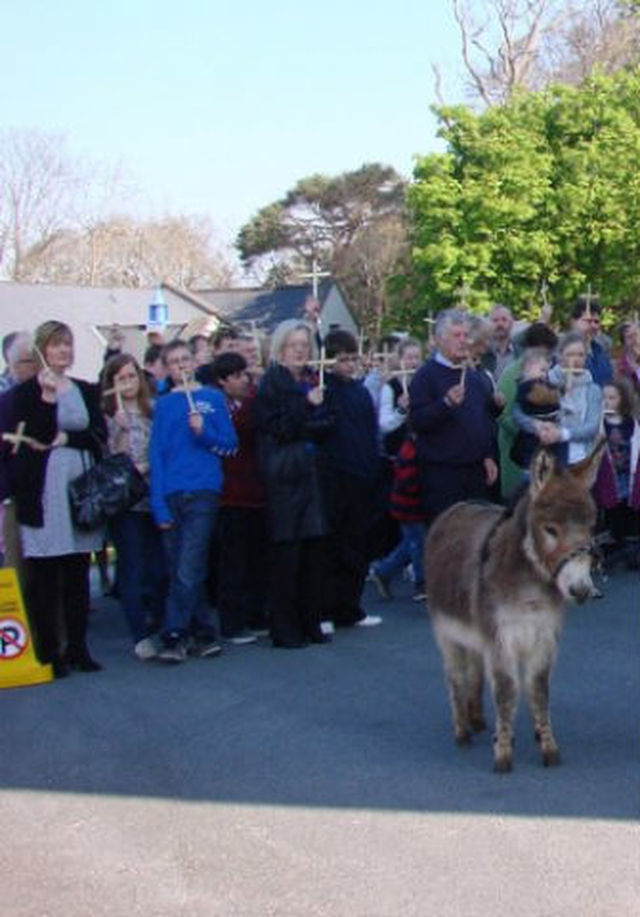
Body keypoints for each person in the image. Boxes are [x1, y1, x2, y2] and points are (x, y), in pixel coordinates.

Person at [5, 320, 106, 677]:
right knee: (46, 573)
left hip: (80, 487)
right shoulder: (24, 392)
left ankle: (79, 647)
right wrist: (47, 401)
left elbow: (97, 434)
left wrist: (70, 440)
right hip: (43, 487)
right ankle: (51, 651)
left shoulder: (83, 388)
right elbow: (28, 437)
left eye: (68, 344)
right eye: (56, 344)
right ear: (42, 350)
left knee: (78, 571)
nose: (63, 350)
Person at [150, 340, 238, 663]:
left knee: (189, 563)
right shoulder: (162, 405)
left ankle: (172, 633)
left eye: (185, 359)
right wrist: (157, 504)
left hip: (203, 490)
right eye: (173, 362)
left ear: (194, 362)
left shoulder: (213, 398)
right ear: (167, 369)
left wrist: (205, 433)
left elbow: (230, 446)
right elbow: (156, 456)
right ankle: (202, 631)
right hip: (171, 492)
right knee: (182, 568)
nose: (181, 366)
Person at [253, 320, 333, 649]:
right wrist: (307, 407)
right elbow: (279, 428)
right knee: (287, 557)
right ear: (281, 349)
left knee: (312, 554)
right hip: (284, 477)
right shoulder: (273, 383)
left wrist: (316, 414)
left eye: (304, 345)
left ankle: (309, 621)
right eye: (293, 345)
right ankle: (285, 627)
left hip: (310, 473)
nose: (300, 350)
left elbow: (324, 423)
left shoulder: (311, 381)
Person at [101, 354, 167, 660]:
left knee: (159, 567)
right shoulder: (108, 415)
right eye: (121, 378)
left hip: (154, 497)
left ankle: (161, 624)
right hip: (125, 502)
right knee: (132, 567)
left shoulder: (153, 409)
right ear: (111, 384)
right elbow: (110, 463)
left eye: (132, 376)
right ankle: (139, 634)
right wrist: (122, 430)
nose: (128, 383)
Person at [317, 330, 382, 629]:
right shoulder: (324, 390)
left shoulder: (359, 391)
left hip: (362, 475)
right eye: (343, 360)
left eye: (353, 359)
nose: (350, 365)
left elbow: (371, 431)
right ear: (329, 360)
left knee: (357, 544)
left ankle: (350, 606)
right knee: (332, 546)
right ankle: (326, 609)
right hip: (334, 477)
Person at [409, 309, 498, 524]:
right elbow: (417, 421)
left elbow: (482, 419)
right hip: (443, 475)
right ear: (440, 339)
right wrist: (445, 404)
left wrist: (487, 455)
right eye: (456, 335)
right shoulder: (425, 376)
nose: (462, 341)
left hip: (475, 472)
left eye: (465, 335)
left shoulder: (474, 376)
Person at [209, 351, 268, 643]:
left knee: (256, 559)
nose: (243, 380)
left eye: (244, 375)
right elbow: (236, 429)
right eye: (236, 376)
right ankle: (232, 622)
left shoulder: (249, 403)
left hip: (253, 488)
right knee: (233, 562)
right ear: (222, 380)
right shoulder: (218, 407)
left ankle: (256, 613)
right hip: (229, 493)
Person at [497, 322, 559, 501]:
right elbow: (504, 414)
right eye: (548, 350)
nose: (550, 356)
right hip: (517, 456)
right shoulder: (513, 373)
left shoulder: (548, 373)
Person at [369, 432, 427, 602]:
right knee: (417, 542)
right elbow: (408, 482)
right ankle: (421, 582)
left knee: (411, 542)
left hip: (410, 504)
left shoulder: (416, 446)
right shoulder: (411, 448)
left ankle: (382, 571)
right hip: (408, 505)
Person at [594, 381, 639, 568]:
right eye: (604, 398)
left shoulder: (631, 423)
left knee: (632, 515)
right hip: (609, 479)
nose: (607, 402)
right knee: (612, 515)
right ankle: (611, 553)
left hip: (629, 477)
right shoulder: (599, 424)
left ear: (622, 400)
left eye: (612, 398)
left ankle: (632, 554)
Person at [542, 332, 603, 465]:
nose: (575, 360)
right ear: (559, 356)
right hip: (549, 458)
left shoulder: (593, 389)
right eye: (570, 354)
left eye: (580, 355)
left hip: (581, 459)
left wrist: (563, 434)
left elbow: (592, 427)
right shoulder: (545, 382)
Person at [510, 348, 567, 471]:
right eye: (542, 370)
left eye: (546, 371)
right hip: (535, 439)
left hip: (545, 435)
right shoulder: (528, 386)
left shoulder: (538, 384)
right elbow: (546, 398)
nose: (545, 374)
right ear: (528, 368)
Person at [378, 338, 422, 459]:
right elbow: (384, 425)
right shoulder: (390, 387)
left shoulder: (424, 384)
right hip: (397, 453)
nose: (414, 362)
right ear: (400, 360)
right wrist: (401, 411)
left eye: (417, 357)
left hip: (422, 451)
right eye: (409, 358)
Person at [570, 296, 613, 387]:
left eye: (596, 322)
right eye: (588, 321)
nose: (594, 326)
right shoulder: (563, 353)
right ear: (573, 322)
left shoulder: (601, 352)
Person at [488, 304, 517, 382]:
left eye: (504, 320)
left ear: (511, 323)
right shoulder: (483, 352)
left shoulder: (520, 351)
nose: (499, 324)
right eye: (495, 320)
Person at [615, 320, 640, 400]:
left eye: (636, 335)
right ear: (624, 342)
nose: (634, 340)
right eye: (629, 337)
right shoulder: (619, 367)